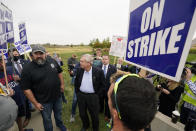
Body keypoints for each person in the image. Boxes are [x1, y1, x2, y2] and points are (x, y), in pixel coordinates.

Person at [20, 45, 66, 131]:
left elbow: (59, 72)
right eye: (36, 53)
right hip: (43, 101)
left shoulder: (52, 61)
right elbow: (26, 89)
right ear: (32, 55)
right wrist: (35, 103)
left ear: (45, 54)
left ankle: (60, 125)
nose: (39, 56)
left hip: (57, 96)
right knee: (47, 119)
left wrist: (62, 85)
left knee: (58, 114)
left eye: (41, 53)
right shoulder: (27, 69)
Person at [75, 54, 105, 131]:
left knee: (94, 114)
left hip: (93, 97)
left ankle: (95, 128)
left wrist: (97, 95)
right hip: (81, 96)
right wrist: (78, 93)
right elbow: (76, 83)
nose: (80, 62)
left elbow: (103, 85)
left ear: (89, 63)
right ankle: (86, 125)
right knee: (82, 113)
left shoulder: (98, 71)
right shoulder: (79, 70)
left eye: (82, 61)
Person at [0, 57, 26, 131]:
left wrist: (18, 79)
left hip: (18, 99)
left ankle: (21, 129)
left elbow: (22, 80)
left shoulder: (12, 68)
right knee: (10, 120)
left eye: (2, 62)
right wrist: (6, 93)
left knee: (19, 116)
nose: (2, 64)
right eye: (0, 63)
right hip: (6, 104)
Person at [100, 55, 117, 121]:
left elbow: (114, 79)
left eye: (106, 59)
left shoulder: (113, 68)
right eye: (103, 59)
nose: (104, 60)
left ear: (109, 60)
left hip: (109, 88)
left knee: (108, 102)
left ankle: (107, 115)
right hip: (101, 89)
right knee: (100, 100)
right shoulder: (98, 67)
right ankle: (100, 110)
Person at [180, 66, 196, 130]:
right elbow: (185, 84)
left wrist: (188, 80)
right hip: (185, 105)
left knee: (189, 128)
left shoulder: (191, 78)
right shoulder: (193, 76)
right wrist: (184, 75)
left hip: (194, 110)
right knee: (181, 125)